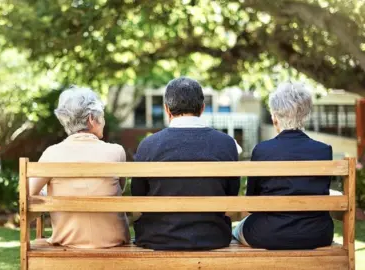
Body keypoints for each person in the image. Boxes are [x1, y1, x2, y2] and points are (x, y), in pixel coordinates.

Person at [132, 77, 240, 250]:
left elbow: (138, 198)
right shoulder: (226, 143)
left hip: (157, 237)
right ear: (202, 108)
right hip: (213, 236)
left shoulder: (148, 145)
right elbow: (231, 196)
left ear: (167, 109)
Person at [233, 82, 334, 250]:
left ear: (274, 118)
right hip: (317, 233)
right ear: (305, 116)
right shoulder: (324, 151)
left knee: (237, 230)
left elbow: (252, 203)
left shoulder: (262, 151)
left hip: (268, 233)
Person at [29, 86, 130, 248]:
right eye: (102, 116)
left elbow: (27, 195)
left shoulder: (51, 154)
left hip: (68, 242)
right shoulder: (116, 152)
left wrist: (47, 193)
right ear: (91, 118)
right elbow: (120, 188)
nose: (103, 121)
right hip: (113, 241)